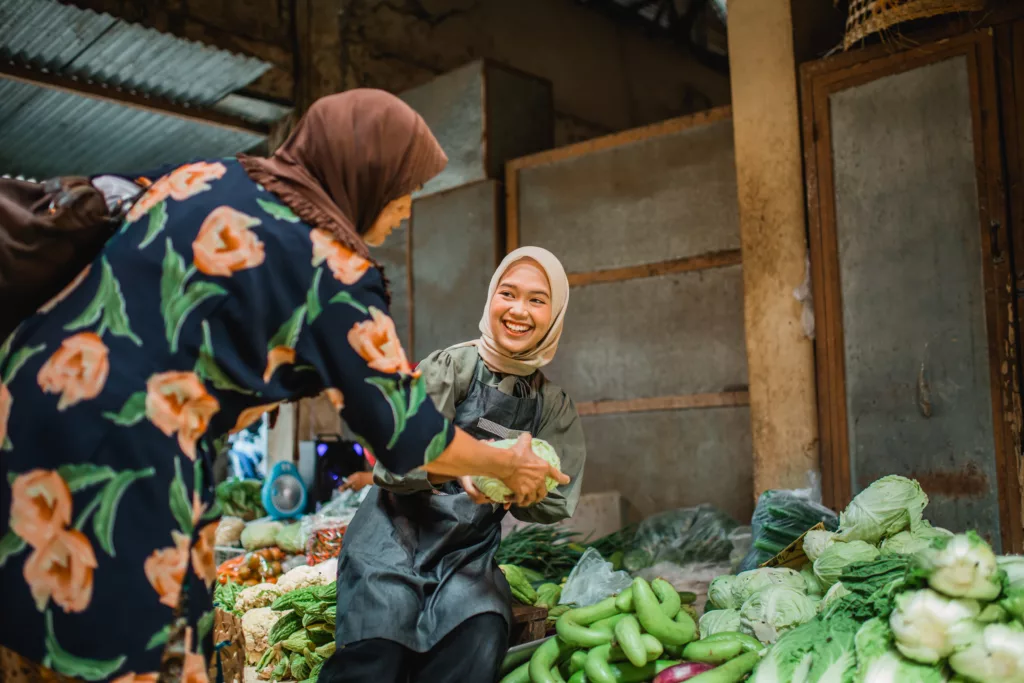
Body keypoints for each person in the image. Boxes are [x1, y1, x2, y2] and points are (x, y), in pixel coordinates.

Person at [0, 90, 566, 682]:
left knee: (29, 626)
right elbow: (408, 434)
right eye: (402, 191)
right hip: (122, 452)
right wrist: (506, 464)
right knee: (119, 643)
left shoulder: (208, 176)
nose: (404, 211)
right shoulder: (332, 267)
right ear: (363, 175)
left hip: (25, 408)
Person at [323, 246, 587, 683]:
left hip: (466, 558)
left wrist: (528, 490)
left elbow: (556, 498)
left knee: (477, 640)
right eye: (508, 293)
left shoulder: (552, 406)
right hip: (393, 540)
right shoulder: (450, 367)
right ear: (491, 299)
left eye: (537, 300)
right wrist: (462, 469)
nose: (519, 310)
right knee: (377, 651)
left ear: (555, 313)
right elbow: (395, 460)